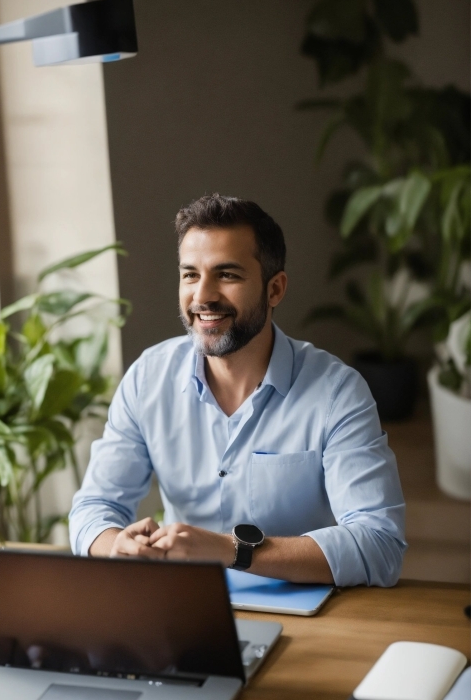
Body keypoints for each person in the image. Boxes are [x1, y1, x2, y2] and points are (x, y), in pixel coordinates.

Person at [69, 194, 406, 587]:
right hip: (184, 609)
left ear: (275, 289)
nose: (203, 296)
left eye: (227, 275)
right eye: (190, 274)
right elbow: (93, 509)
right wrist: (116, 546)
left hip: (305, 611)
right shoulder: (148, 379)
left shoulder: (337, 393)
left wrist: (232, 550)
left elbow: (380, 543)